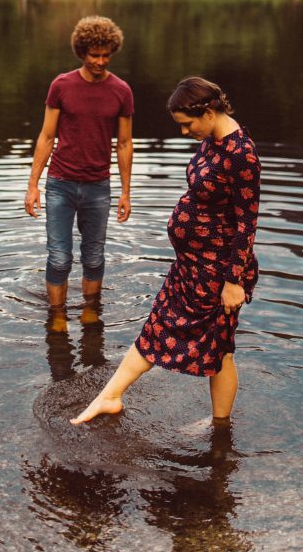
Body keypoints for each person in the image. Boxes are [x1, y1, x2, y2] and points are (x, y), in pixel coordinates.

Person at [71, 76, 260, 427]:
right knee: (171, 327)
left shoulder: (242, 154)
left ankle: (218, 427)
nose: (185, 132)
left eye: (188, 124)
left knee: (214, 346)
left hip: (217, 271)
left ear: (208, 111)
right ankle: (112, 397)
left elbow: (246, 222)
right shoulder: (214, 140)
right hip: (192, 264)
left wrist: (233, 281)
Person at [25, 16, 134, 321]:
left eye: (106, 54)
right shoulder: (61, 85)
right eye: (94, 55)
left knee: (95, 256)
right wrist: (33, 185)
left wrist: (126, 192)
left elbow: (124, 144)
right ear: (81, 52)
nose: (101, 60)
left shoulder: (122, 91)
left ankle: (89, 313)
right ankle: (57, 316)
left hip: (99, 186)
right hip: (60, 183)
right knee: (59, 258)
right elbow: (47, 136)